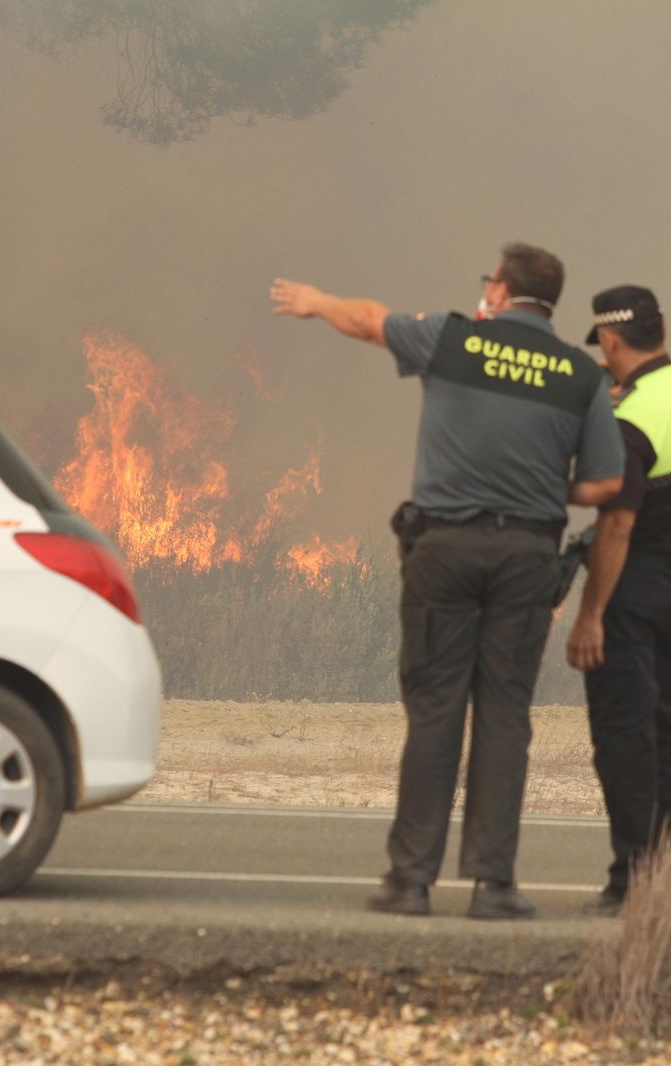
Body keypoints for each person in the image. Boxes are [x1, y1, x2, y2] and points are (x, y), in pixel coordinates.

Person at [270, 243, 624, 920]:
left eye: (488, 281)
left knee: (435, 711)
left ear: (499, 289)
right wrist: (549, 487)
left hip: (446, 550)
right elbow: (607, 483)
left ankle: (411, 882)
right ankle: (494, 886)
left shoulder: (454, 340)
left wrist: (316, 303)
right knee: (504, 716)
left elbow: (370, 320)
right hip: (526, 555)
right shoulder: (579, 375)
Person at [565, 285, 671, 920]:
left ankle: (633, 879)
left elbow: (617, 523)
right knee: (662, 730)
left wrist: (590, 615)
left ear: (609, 341)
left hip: (634, 585)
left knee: (622, 736)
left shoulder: (629, 417)